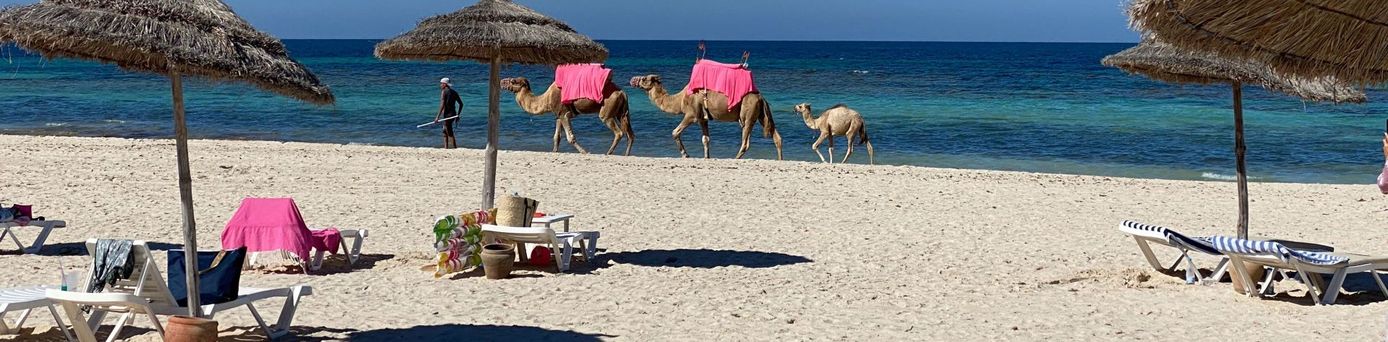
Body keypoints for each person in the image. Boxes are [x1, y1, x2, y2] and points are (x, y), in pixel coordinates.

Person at [436, 78, 464, 149]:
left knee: (449, 131)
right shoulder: (454, 92)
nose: (440, 85)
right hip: (453, 114)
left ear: (445, 84)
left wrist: (437, 117)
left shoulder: (444, 92)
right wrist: (458, 114)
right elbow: (461, 104)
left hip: (447, 115)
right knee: (445, 131)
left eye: (441, 83)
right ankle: (446, 148)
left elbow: (442, 105)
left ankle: (454, 147)